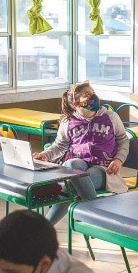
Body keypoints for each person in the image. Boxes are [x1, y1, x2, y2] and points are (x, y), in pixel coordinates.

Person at [33, 82, 130, 224]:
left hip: (104, 169)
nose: (93, 96)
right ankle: (96, 217)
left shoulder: (111, 117)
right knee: (72, 165)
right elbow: (59, 146)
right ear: (76, 103)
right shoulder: (68, 121)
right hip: (79, 164)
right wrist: (45, 155)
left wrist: (119, 160)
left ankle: (43, 228)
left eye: (93, 92)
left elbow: (123, 140)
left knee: (71, 187)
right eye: (87, 94)